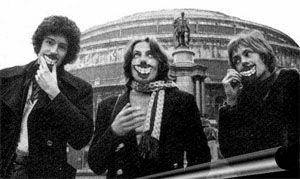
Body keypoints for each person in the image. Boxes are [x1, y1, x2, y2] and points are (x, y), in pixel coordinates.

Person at [88, 37, 211, 178]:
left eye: (150, 55)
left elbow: (200, 158)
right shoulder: (108, 106)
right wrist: (114, 132)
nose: (143, 60)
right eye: (136, 55)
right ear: (130, 64)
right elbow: (96, 165)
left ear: (159, 63)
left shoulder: (182, 102)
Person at [0, 15, 94, 178]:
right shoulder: (7, 78)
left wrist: (54, 93)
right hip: (6, 168)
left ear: (68, 53)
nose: (53, 51)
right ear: (40, 43)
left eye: (62, 47)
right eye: (50, 42)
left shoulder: (79, 89)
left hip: (45, 173)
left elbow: (81, 138)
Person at [218, 30, 299, 173]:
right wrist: (231, 101)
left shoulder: (289, 81)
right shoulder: (241, 98)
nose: (242, 62)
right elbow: (230, 153)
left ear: (263, 54)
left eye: (247, 54)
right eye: (236, 60)